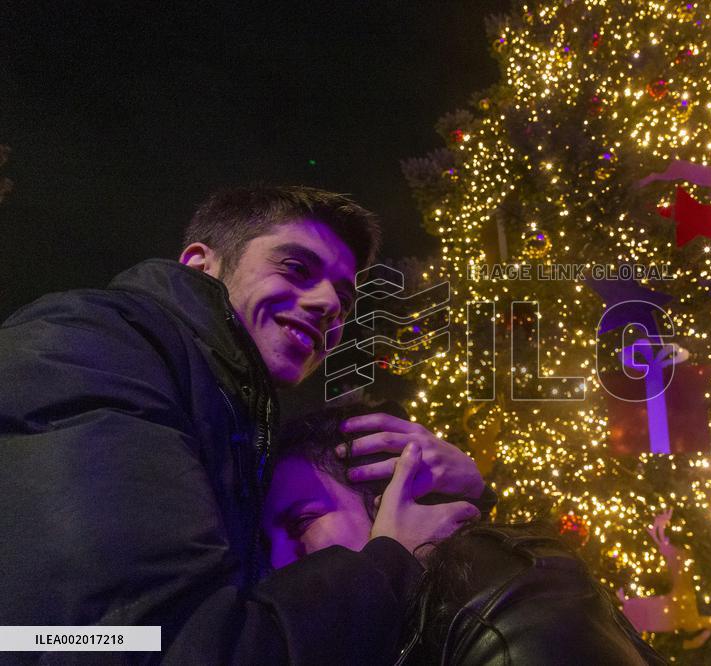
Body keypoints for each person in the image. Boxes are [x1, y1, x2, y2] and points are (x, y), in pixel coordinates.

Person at [0, 185, 488, 664]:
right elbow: (146, 643)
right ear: (200, 264)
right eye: (296, 268)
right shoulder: (96, 346)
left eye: (344, 296)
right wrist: (390, 564)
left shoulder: (225, 423)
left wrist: (464, 500)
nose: (329, 306)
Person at [267, 405, 667, 665]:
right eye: (267, 544)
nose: (280, 558)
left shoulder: (505, 593)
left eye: (301, 521)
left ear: (388, 494)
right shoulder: (368, 624)